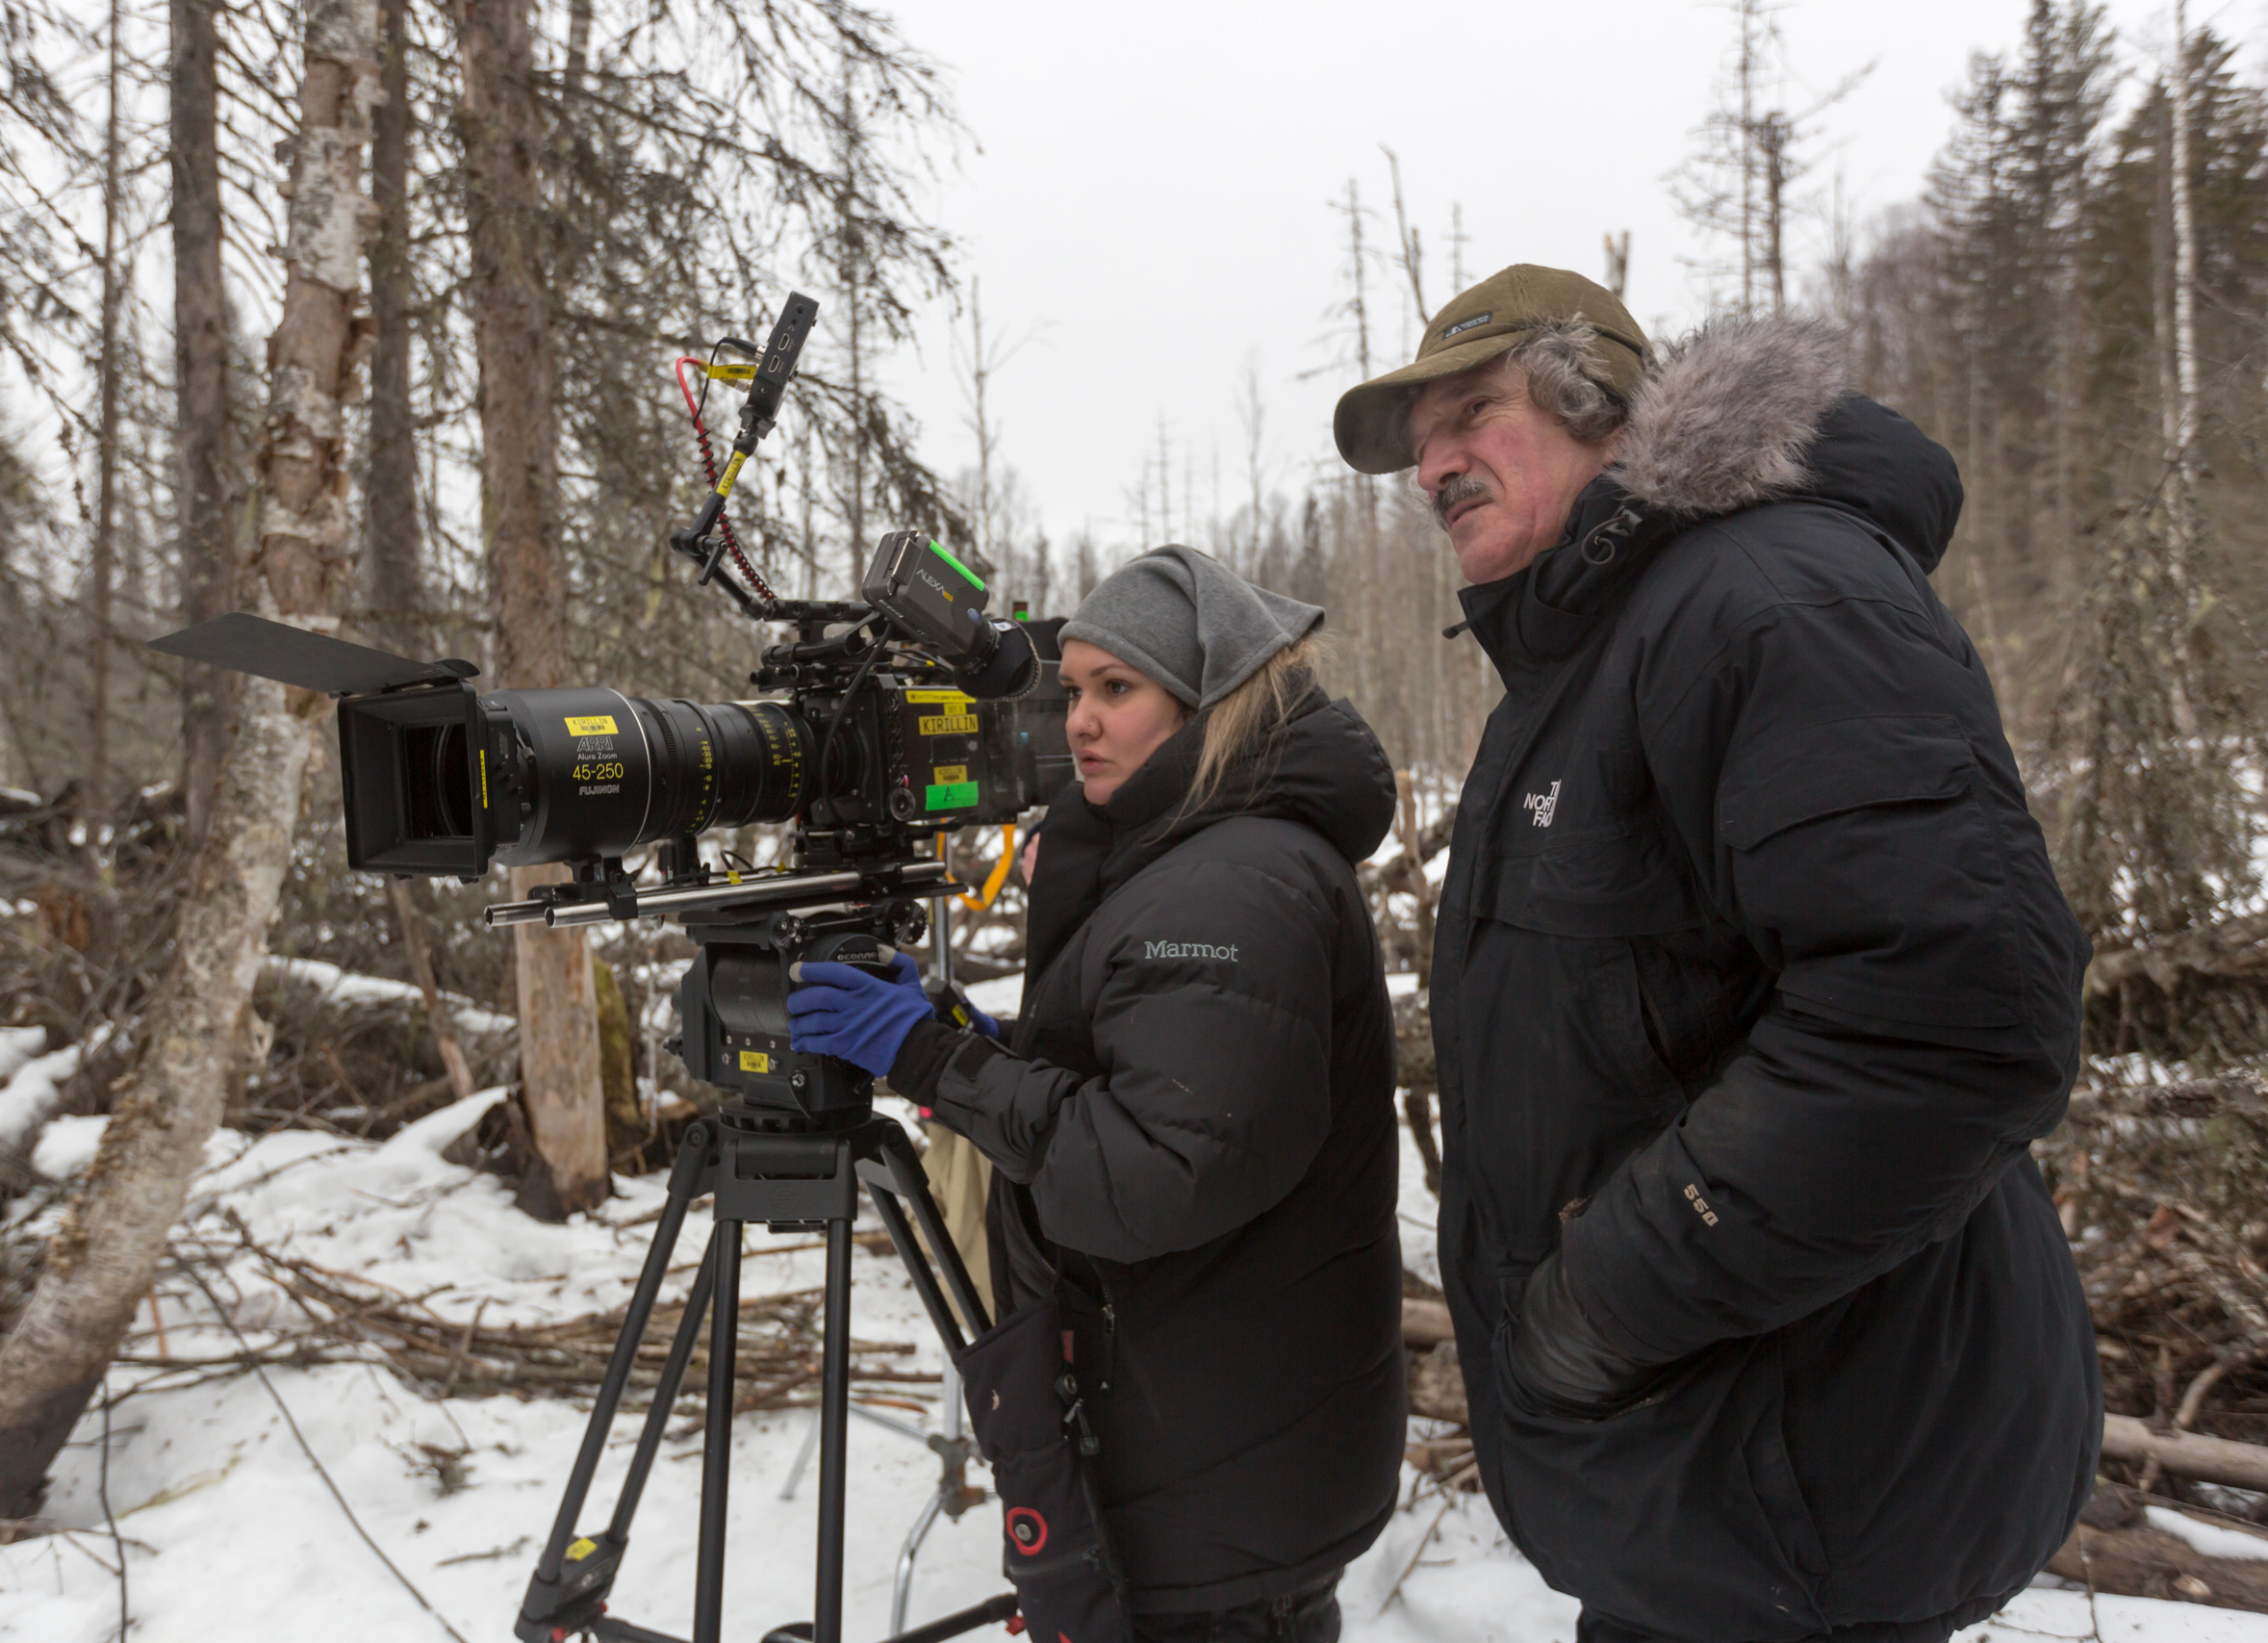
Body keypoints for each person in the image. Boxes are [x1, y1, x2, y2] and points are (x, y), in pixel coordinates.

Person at [1330, 263, 2101, 1643]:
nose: (1436, 464)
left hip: (1807, 1479)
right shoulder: (1596, 654)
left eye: (1472, 413)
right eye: (1420, 445)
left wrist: (1601, 1301)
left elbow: (1955, 1023)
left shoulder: (1768, 600)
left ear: (1599, 407)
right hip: (1706, 1495)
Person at [788, 547, 1405, 1643]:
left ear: (1207, 700)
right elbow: (1157, 1067)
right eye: (1072, 689)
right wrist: (980, 1046)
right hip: (1219, 1456)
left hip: (1211, 1486)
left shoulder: (1232, 883)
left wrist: (931, 1061)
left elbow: (1147, 1176)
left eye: (1116, 688)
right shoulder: (1193, 852)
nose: (1078, 721)